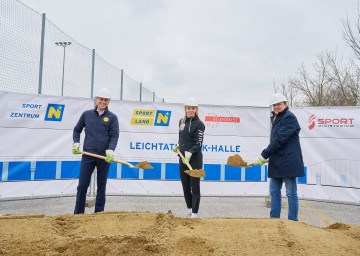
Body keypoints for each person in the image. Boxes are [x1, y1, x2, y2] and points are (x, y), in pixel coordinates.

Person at [257, 93, 304, 221]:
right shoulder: (277, 118)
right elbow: (276, 141)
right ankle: (274, 221)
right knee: (274, 192)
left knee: (290, 193)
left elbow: (279, 139)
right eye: (274, 105)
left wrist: (264, 154)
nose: (276, 107)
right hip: (277, 161)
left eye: (279, 104)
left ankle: (293, 221)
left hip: (289, 160)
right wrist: (268, 154)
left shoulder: (289, 117)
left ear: (285, 104)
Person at [72, 88, 119, 214]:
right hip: (88, 155)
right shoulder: (86, 115)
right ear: (96, 99)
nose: (103, 102)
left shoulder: (112, 118)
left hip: (104, 157)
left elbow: (114, 136)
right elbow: (77, 130)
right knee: (82, 185)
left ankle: (99, 214)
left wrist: (110, 150)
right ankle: (78, 213)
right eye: (101, 99)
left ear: (109, 101)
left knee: (101, 186)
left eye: (106, 100)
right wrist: (76, 142)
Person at [173, 97, 205, 218]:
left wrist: (190, 152)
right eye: (188, 108)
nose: (191, 110)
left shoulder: (200, 124)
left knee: (194, 187)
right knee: (185, 186)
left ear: (196, 110)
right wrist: (179, 148)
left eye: (193, 108)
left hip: (194, 160)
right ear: (185, 109)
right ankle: (190, 210)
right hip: (183, 159)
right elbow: (181, 138)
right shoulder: (181, 121)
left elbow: (198, 143)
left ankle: (195, 214)